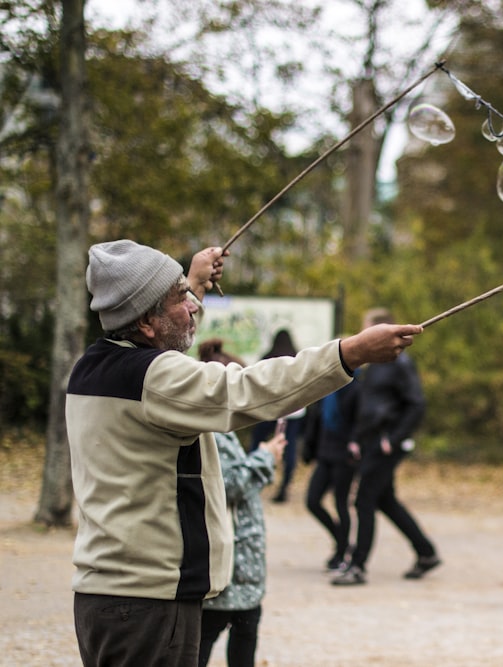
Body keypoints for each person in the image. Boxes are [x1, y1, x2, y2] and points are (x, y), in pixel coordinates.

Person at [67, 239, 421, 667]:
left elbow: (162, 338)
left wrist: (192, 282)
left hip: (113, 597)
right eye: (181, 298)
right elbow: (247, 390)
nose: (193, 306)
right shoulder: (153, 377)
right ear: (145, 321)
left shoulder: (95, 366)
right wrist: (350, 353)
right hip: (148, 603)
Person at [333, 307, 439, 586]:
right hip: (370, 441)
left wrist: (393, 439)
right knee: (385, 500)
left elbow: (416, 404)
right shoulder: (374, 364)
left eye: (365, 328)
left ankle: (357, 566)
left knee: (363, 499)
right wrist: (357, 438)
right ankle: (426, 552)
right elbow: (368, 407)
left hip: (386, 445)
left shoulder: (399, 363)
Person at [196, 340, 287, 667]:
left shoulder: (221, 428)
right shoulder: (210, 430)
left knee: (240, 640)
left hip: (241, 572)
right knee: (205, 644)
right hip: (227, 575)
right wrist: (265, 458)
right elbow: (228, 485)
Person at [302, 380, 359, 572]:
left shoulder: (358, 385)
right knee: (312, 501)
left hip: (345, 455)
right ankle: (341, 540)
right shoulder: (329, 383)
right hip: (325, 452)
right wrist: (309, 448)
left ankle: (342, 551)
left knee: (340, 503)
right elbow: (316, 418)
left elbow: (362, 418)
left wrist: (355, 443)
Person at [251, 329, 306, 503]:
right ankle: (284, 487)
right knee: (289, 450)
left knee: (257, 442)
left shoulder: (268, 357)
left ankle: (253, 478)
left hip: (270, 412)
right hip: (293, 413)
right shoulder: (298, 358)